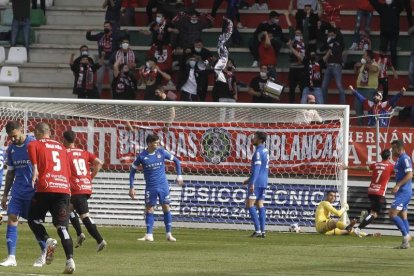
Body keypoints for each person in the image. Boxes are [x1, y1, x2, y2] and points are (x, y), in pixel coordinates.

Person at [27, 123, 75, 274]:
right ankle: (70, 260)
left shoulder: (34, 143)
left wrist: (35, 170)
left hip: (46, 187)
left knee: (33, 219)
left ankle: (47, 240)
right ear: (49, 132)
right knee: (62, 227)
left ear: (37, 133)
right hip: (63, 189)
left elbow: (33, 156)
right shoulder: (62, 147)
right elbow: (67, 168)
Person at [0, 121, 46, 267]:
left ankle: (45, 251)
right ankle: (11, 257)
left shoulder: (34, 143)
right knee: (12, 217)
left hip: (33, 190)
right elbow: (10, 173)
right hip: (18, 191)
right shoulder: (11, 149)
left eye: (14, 136)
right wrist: (5, 194)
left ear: (21, 130)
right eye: (10, 137)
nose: (12, 139)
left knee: (33, 223)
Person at [129, 134, 183, 242]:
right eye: (155, 142)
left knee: (166, 207)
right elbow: (132, 170)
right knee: (149, 208)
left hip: (163, 185)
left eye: (158, 142)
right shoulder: (142, 156)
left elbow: (177, 161)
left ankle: (169, 234)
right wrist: (132, 187)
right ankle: (149, 235)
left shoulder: (161, 152)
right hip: (151, 186)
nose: (158, 144)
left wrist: (179, 176)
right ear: (149, 143)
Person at [63, 130, 107, 252]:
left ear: (64, 140)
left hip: (76, 189)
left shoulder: (65, 153)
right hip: (86, 187)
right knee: (69, 208)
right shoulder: (83, 152)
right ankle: (79, 234)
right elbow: (99, 163)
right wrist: (89, 178)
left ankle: (100, 240)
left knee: (84, 216)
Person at [340, 149, 394, 237]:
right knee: (374, 214)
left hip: (371, 191)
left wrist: (347, 167)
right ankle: (358, 229)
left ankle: (358, 218)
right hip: (379, 193)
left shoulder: (375, 164)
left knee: (370, 211)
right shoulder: (391, 166)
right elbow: (402, 173)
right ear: (389, 157)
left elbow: (362, 168)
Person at [86, 21, 126, 97]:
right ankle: (97, 99)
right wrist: (88, 32)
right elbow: (89, 38)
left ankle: (114, 99)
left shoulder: (115, 35)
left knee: (112, 81)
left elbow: (124, 36)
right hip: (102, 60)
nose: (105, 28)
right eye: (104, 26)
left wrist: (117, 31)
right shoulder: (100, 35)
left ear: (111, 27)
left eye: (107, 26)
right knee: (99, 81)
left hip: (112, 61)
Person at [243, 131, 269, 238]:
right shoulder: (265, 150)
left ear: (260, 140)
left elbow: (257, 168)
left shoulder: (258, 152)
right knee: (260, 204)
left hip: (257, 182)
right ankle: (262, 231)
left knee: (249, 203)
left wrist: (252, 182)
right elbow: (262, 168)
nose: (252, 139)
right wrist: (249, 179)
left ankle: (258, 230)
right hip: (264, 181)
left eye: (255, 137)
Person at [389, 140, 413, 249]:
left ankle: (406, 236)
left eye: (393, 148)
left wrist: (398, 185)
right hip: (401, 192)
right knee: (403, 215)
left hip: (404, 192)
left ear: (399, 148)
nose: (392, 151)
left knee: (392, 214)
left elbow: (410, 174)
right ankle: (406, 243)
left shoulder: (405, 158)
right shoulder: (399, 160)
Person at [369, 0, 404, 68]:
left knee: (393, 49)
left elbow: (403, 3)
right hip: (384, 33)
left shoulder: (397, 6)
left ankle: (394, 67)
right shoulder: (382, 7)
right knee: (382, 49)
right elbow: (374, 2)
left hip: (394, 33)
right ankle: (382, 66)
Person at [353, 49, 380, 125]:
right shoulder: (363, 65)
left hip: (370, 90)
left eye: (364, 55)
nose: (363, 56)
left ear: (368, 57)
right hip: (359, 89)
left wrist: (365, 64)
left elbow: (374, 69)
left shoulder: (375, 64)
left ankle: (371, 126)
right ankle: (360, 126)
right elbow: (357, 73)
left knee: (370, 109)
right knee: (358, 108)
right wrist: (355, 66)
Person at [321, 26, 345, 104]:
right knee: (323, 87)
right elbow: (322, 48)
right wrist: (328, 42)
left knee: (339, 86)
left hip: (337, 66)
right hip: (329, 66)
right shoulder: (328, 42)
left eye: (332, 34)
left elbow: (339, 39)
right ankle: (324, 105)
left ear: (335, 34)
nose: (330, 36)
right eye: (329, 35)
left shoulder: (339, 42)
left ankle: (343, 106)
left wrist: (330, 44)